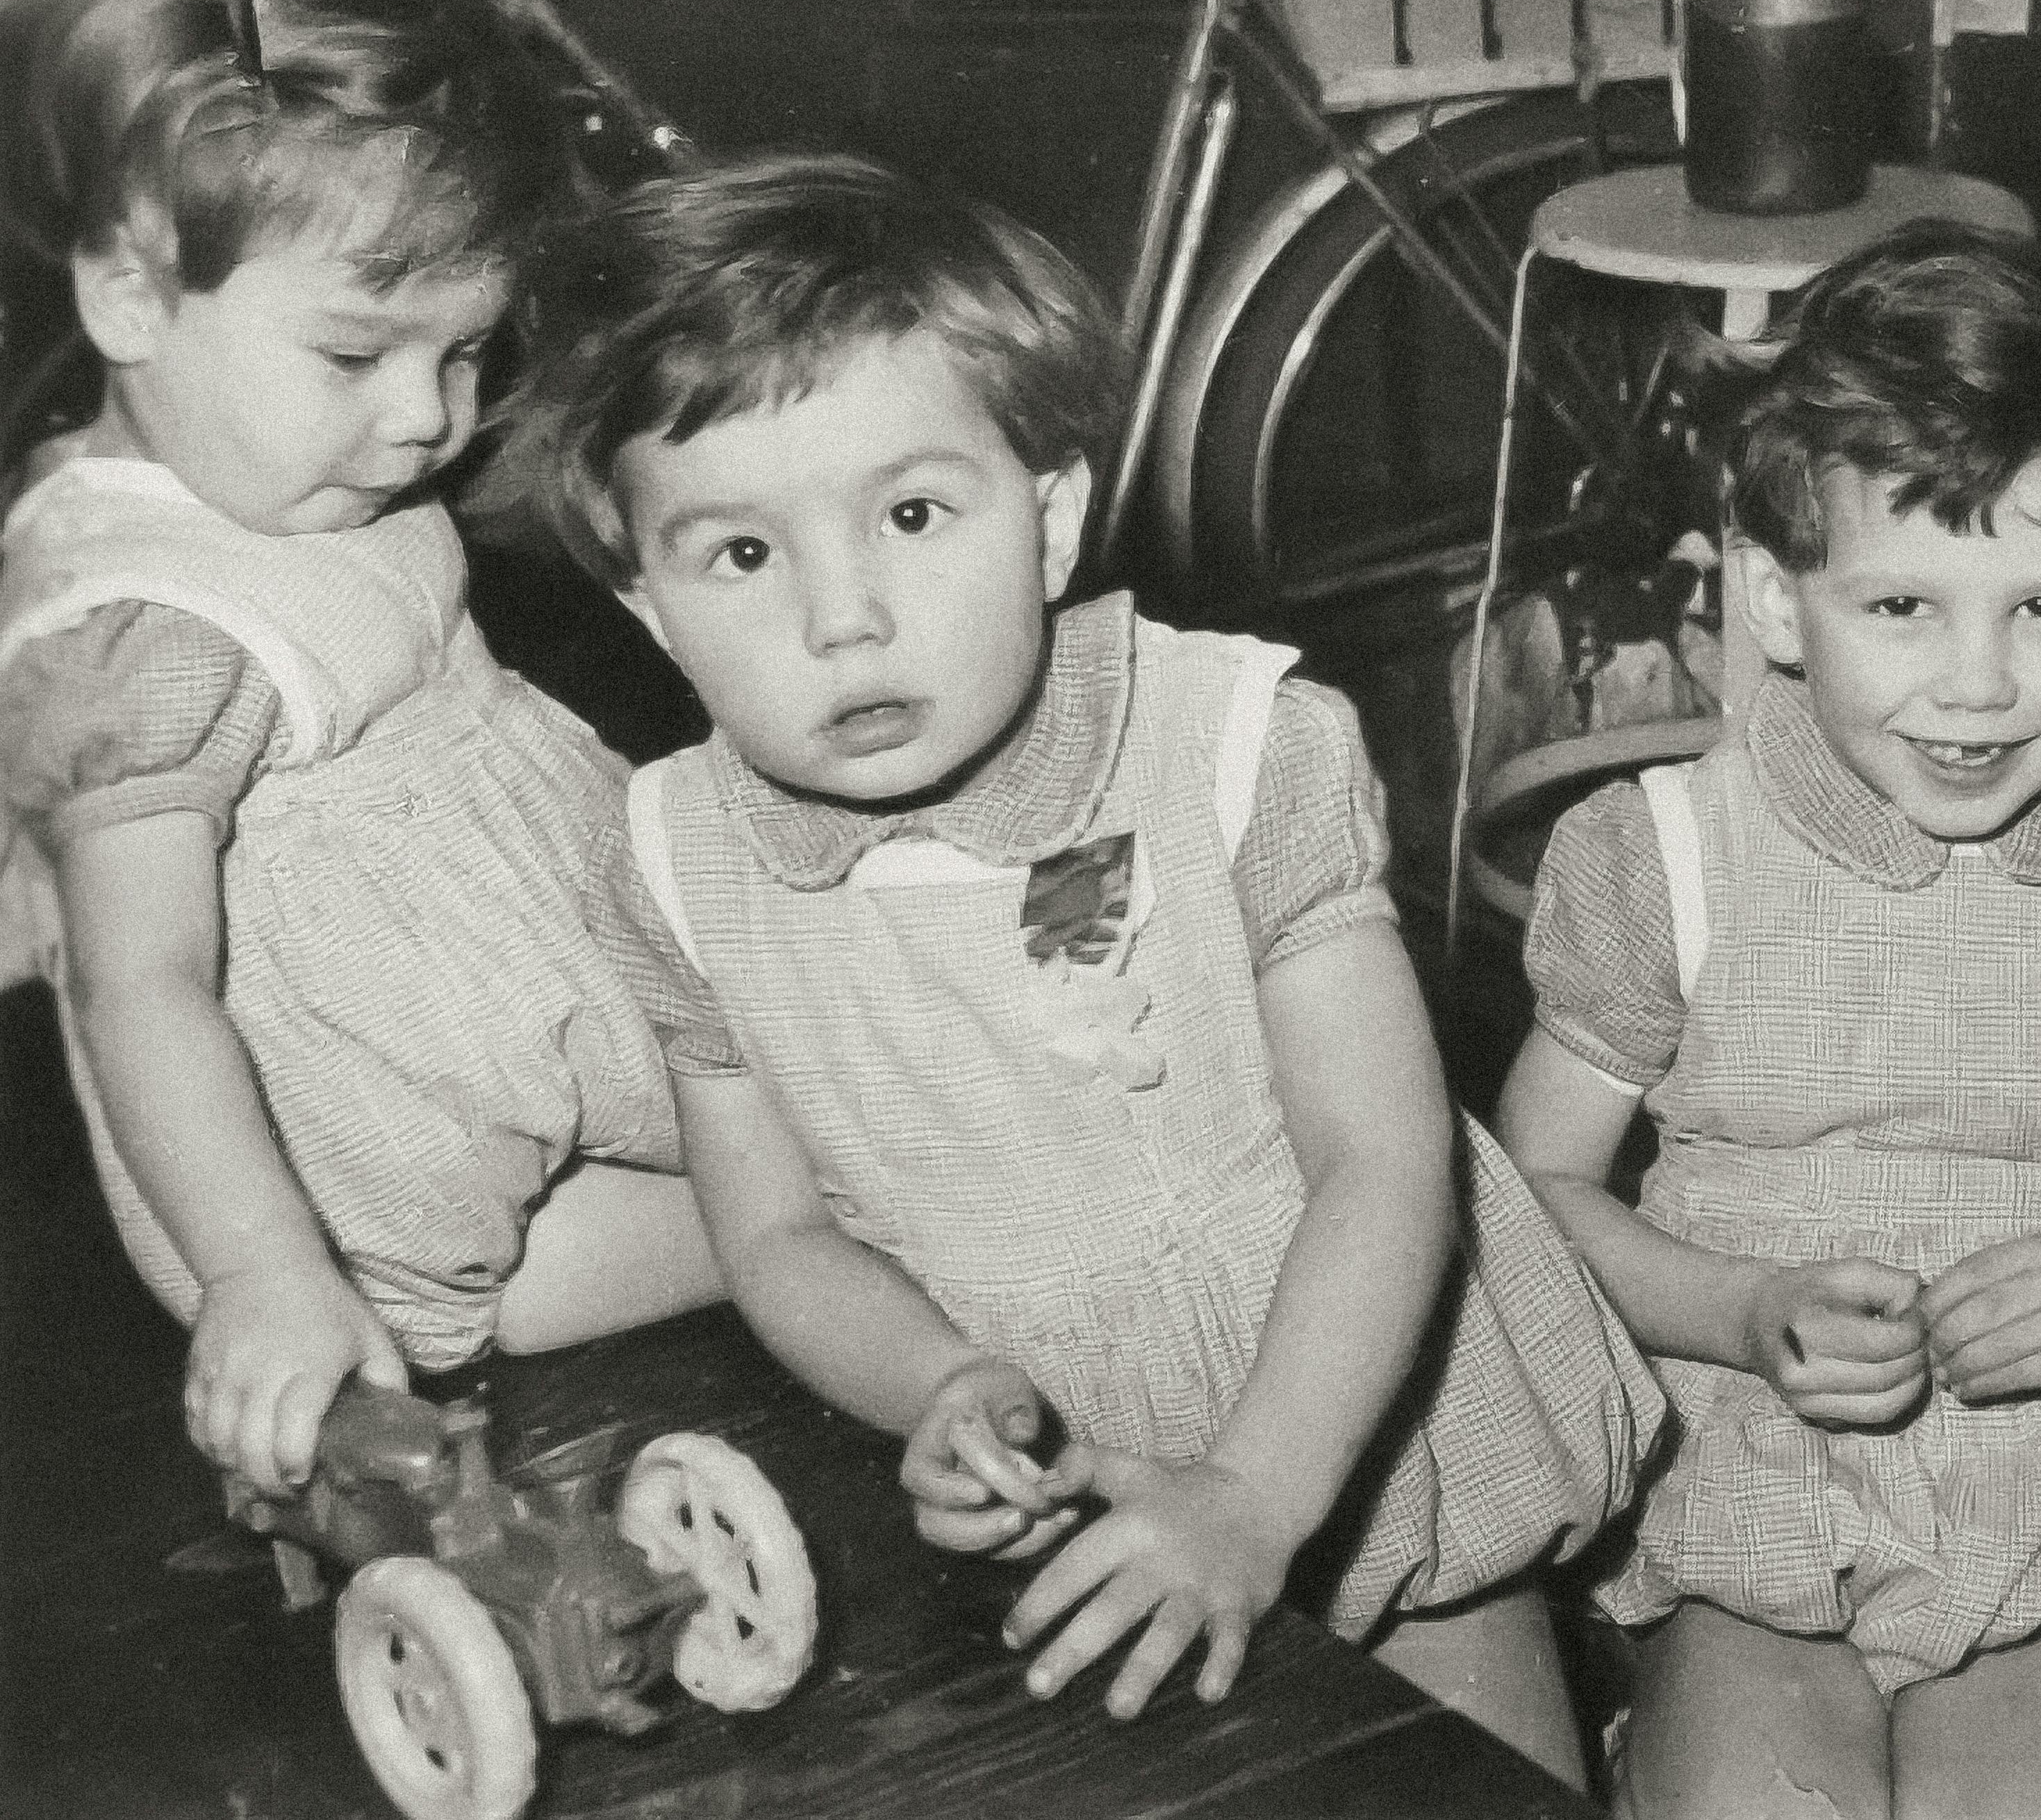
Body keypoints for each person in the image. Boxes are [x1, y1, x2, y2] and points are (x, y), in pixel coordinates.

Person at [487, 149, 1662, 1778]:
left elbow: (1382, 1163)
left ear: (1047, 518)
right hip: (1065, 1452)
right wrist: (938, 1382)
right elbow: (771, 1232)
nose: (846, 617)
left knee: (1471, 1775)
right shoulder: (678, 862)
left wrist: (1258, 1492)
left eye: (911, 514)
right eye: (740, 555)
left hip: (1348, 1385)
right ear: (647, 600)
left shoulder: (1238, 748)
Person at [1495, 220, 2041, 1820]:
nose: (1976, 685)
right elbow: (1531, 1201)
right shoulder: (1674, 855)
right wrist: (1743, 1309)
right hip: (1755, 1494)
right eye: (1902, 607)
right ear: (1777, 599)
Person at [0, 0, 720, 1499]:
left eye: (468, 352)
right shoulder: (142, 639)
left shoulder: (280, 457)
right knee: (805, 1200)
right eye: (360, 355)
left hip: (529, 962)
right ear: (126, 295)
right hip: (367, 1153)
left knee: (838, 1114)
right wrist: (263, 1267)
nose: (426, 421)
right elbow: (144, 987)